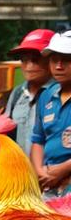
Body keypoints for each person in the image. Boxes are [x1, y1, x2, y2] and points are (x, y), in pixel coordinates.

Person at [0, 28, 55, 154]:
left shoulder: (61, 94)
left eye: (35, 59)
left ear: (52, 60)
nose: (29, 66)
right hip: (22, 171)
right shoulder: (17, 94)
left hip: (52, 171)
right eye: (24, 59)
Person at [31, 32, 71, 200]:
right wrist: (40, 171)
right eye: (54, 60)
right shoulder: (46, 95)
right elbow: (38, 140)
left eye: (67, 60)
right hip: (49, 183)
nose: (59, 66)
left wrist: (63, 169)